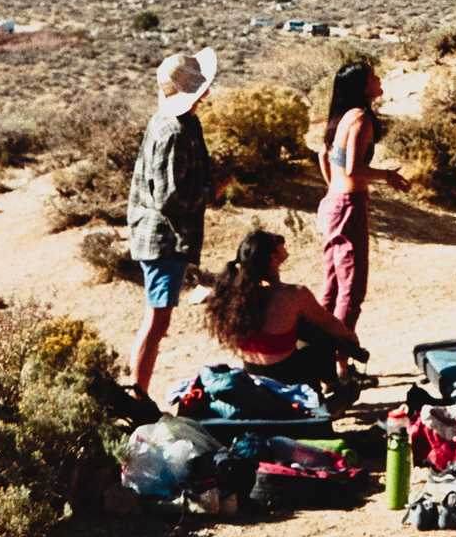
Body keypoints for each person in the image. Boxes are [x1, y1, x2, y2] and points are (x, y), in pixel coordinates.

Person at [126, 46, 220, 402]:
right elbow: (169, 197)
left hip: (163, 236)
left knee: (158, 317)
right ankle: (138, 395)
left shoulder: (181, 122)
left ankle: (139, 392)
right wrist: (208, 192)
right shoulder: (175, 130)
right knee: (156, 319)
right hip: (162, 237)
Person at [316, 59, 409, 354]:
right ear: (363, 86)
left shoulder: (344, 116)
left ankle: (319, 355)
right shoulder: (360, 119)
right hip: (348, 207)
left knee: (331, 286)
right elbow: (355, 168)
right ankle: (339, 362)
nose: (379, 79)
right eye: (373, 77)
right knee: (351, 290)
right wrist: (387, 176)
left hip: (333, 203)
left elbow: (324, 155)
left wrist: (334, 186)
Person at [205, 226, 361, 394]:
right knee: (324, 335)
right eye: (276, 242)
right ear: (273, 257)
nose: (281, 242)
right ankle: (332, 385)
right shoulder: (294, 295)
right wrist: (352, 341)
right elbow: (330, 324)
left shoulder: (234, 295)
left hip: (253, 371)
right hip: (287, 374)